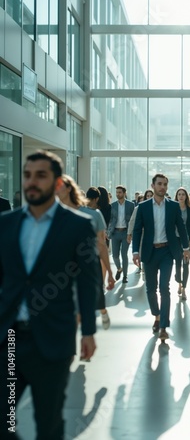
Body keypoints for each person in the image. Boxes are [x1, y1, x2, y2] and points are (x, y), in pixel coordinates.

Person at [0, 150, 100, 439]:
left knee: (48, 423)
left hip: (52, 340)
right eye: (28, 175)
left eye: (41, 176)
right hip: (8, 339)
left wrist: (89, 332)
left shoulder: (78, 225)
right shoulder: (6, 223)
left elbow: (86, 281)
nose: (32, 182)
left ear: (57, 183)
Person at [132, 174, 190, 341]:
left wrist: (185, 248)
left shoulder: (173, 206)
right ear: (153, 185)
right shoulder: (142, 207)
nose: (162, 187)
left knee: (165, 287)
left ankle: (164, 325)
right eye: (159, 184)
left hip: (167, 252)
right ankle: (156, 315)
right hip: (149, 252)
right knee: (151, 289)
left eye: (165, 184)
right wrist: (135, 251)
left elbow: (181, 227)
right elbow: (137, 231)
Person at [56, 178, 114, 330]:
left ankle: (101, 312)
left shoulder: (94, 215)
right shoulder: (56, 215)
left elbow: (101, 245)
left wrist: (109, 271)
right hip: (65, 266)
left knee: (92, 296)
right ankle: (72, 347)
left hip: (88, 263)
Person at [174, 187, 190, 300]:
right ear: (177, 196)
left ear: (186, 196)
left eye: (183, 194)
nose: (181, 196)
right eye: (179, 194)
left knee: (186, 263)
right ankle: (179, 282)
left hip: (187, 240)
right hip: (176, 239)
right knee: (178, 263)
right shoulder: (173, 208)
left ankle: (184, 289)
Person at [107, 185, 135, 283]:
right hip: (115, 233)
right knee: (115, 256)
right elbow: (110, 219)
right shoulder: (113, 205)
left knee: (124, 254)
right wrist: (108, 231)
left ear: (124, 193)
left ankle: (125, 276)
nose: (117, 194)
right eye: (117, 192)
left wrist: (130, 233)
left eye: (119, 192)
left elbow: (133, 220)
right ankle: (119, 269)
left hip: (125, 233)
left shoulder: (130, 205)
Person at [127, 189, 154, 274]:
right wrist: (129, 233)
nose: (149, 197)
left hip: (153, 235)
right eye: (147, 196)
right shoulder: (138, 208)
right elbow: (132, 221)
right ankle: (143, 269)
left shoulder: (156, 208)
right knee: (142, 252)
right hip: (142, 234)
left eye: (151, 196)